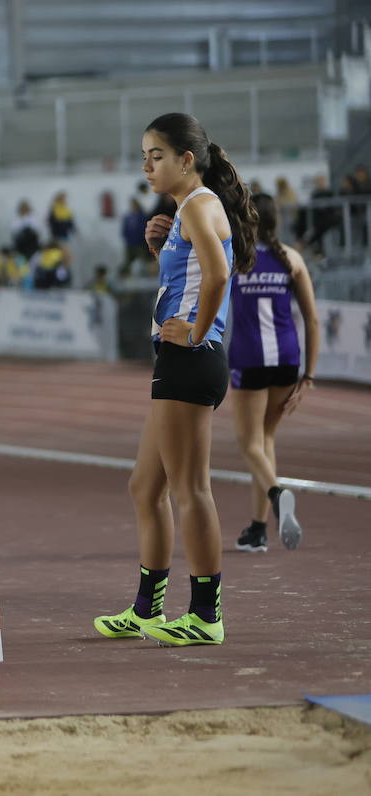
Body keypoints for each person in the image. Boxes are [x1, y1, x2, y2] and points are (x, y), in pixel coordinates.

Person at [94, 112, 257, 648]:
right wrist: (160, 250)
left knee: (191, 490)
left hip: (191, 360)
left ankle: (206, 615)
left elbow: (218, 275)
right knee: (145, 487)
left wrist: (197, 331)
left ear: (187, 160)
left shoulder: (199, 205)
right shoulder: (186, 210)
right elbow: (190, 277)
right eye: (143, 156)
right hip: (177, 361)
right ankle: (147, 610)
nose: (146, 166)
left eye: (156, 156)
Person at [228, 194, 318, 553]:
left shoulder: (235, 259)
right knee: (265, 439)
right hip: (286, 360)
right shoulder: (291, 258)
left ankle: (277, 494)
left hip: (249, 358)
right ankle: (257, 529)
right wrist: (309, 376)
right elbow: (312, 319)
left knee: (249, 444)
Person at [119, 197, 150, 277]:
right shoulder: (128, 217)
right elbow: (124, 229)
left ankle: (144, 275)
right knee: (128, 261)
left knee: (143, 260)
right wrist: (126, 238)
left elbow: (144, 228)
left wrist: (143, 239)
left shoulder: (143, 216)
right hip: (130, 243)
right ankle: (124, 275)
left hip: (140, 243)